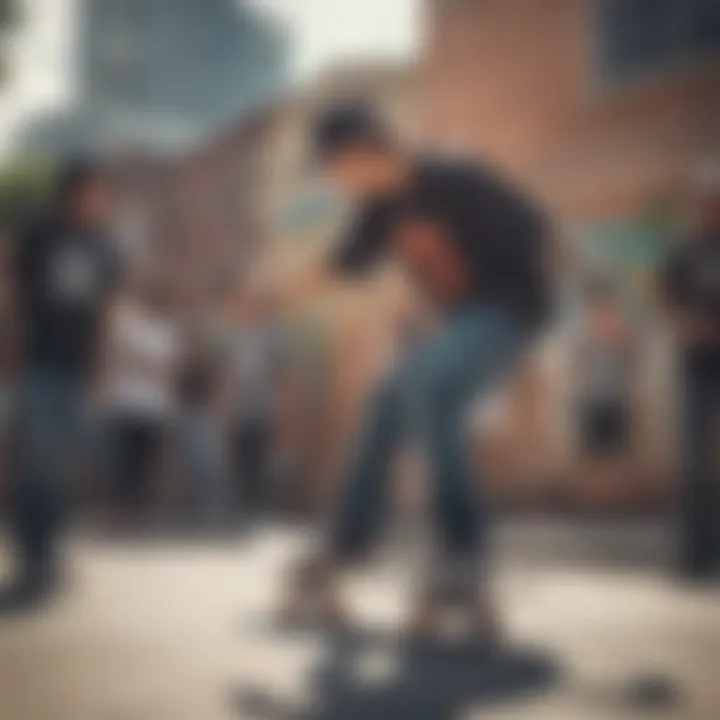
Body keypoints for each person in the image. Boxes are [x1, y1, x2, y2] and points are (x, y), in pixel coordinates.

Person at [283, 101, 552, 639]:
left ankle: (463, 551)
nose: (337, 183)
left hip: (511, 309)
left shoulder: (453, 175)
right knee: (388, 399)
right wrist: (268, 298)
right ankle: (350, 540)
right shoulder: (378, 210)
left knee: (425, 388)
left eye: (336, 169)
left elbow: (537, 226)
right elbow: (340, 267)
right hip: (463, 323)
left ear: (365, 150)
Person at [0, 159, 124, 613]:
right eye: (95, 190)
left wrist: (104, 368)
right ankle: (32, 553)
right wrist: (9, 348)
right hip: (38, 362)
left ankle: (48, 552)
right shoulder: (40, 235)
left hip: (79, 368)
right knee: (35, 460)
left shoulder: (106, 244)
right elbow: (16, 294)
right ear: (72, 191)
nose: (101, 200)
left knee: (61, 463)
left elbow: (107, 310)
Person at [662, 164, 720, 582]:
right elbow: (666, 303)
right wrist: (685, 326)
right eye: (706, 199)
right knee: (694, 463)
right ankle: (694, 557)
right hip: (697, 369)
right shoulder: (685, 252)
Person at [98, 271, 181, 529]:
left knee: (145, 460)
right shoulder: (134, 326)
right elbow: (121, 357)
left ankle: (137, 514)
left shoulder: (168, 332)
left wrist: (168, 404)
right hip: (127, 402)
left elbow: (169, 370)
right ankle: (118, 511)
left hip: (154, 406)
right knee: (123, 457)